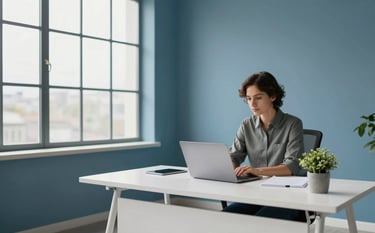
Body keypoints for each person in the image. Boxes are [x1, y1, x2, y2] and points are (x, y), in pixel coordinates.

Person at [223, 71, 306, 222]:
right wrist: (231, 169)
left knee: (261, 221)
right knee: (225, 217)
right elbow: (234, 156)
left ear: (273, 96)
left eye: (258, 97)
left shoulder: (293, 124)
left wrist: (257, 171)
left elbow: (291, 166)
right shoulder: (246, 125)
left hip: (288, 196)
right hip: (257, 193)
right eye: (248, 99)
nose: (252, 104)